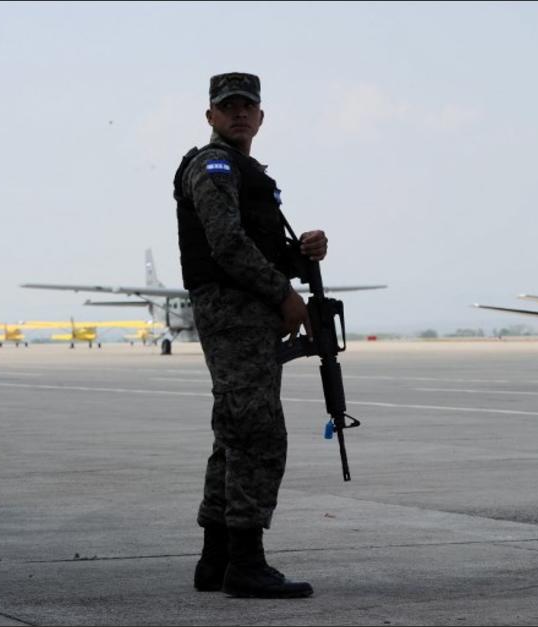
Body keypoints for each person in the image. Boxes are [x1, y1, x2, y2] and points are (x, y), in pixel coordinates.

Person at [173, 72, 328, 599]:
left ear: (260, 117)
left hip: (245, 311)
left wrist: (299, 253)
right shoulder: (212, 166)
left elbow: (254, 244)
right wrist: (285, 294)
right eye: (228, 106)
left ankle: (216, 559)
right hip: (234, 311)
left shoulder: (247, 172)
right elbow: (227, 245)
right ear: (210, 115)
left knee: (234, 435)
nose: (239, 114)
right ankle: (246, 562)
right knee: (259, 435)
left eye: (248, 106)